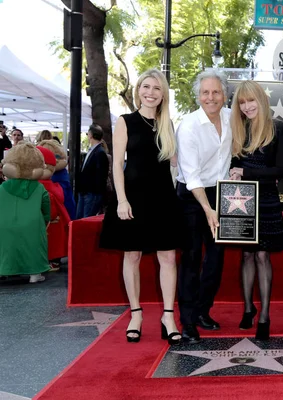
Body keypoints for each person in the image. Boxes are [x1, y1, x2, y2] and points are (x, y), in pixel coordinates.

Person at [99, 69, 181, 345]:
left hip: (163, 198)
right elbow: (116, 165)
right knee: (131, 256)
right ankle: (136, 314)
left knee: (168, 258)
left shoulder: (168, 124)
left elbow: (175, 164)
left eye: (157, 88)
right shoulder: (125, 121)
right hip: (132, 198)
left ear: (163, 94)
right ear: (138, 90)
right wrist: (121, 199)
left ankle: (168, 316)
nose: (150, 92)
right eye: (146, 86)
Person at [229, 80, 283, 341]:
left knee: (263, 256)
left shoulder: (280, 129)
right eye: (242, 102)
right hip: (242, 200)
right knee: (246, 256)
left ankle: (264, 314)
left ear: (261, 100)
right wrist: (235, 172)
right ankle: (247, 308)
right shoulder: (237, 128)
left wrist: (246, 172)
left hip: (266, 200)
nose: (247, 106)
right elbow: (231, 164)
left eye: (250, 100)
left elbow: (280, 171)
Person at [176, 70, 232, 344]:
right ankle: (187, 322)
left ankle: (202, 311)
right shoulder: (188, 126)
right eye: (205, 93)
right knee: (191, 257)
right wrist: (208, 208)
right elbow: (191, 175)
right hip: (191, 195)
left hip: (221, 193)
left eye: (216, 92)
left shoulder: (232, 117)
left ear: (224, 95)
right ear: (198, 96)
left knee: (216, 258)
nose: (211, 97)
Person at [0, 143, 50, 283]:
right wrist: (46, 219)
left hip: (4, 223)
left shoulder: (3, 187)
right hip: (32, 223)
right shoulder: (39, 187)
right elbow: (46, 205)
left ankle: (4, 270)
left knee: (5, 246)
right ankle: (34, 274)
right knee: (33, 246)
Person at [76, 124, 109, 219]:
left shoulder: (100, 152)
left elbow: (101, 176)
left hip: (91, 193)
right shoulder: (94, 151)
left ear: (90, 134)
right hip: (86, 192)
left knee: (86, 220)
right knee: (79, 219)